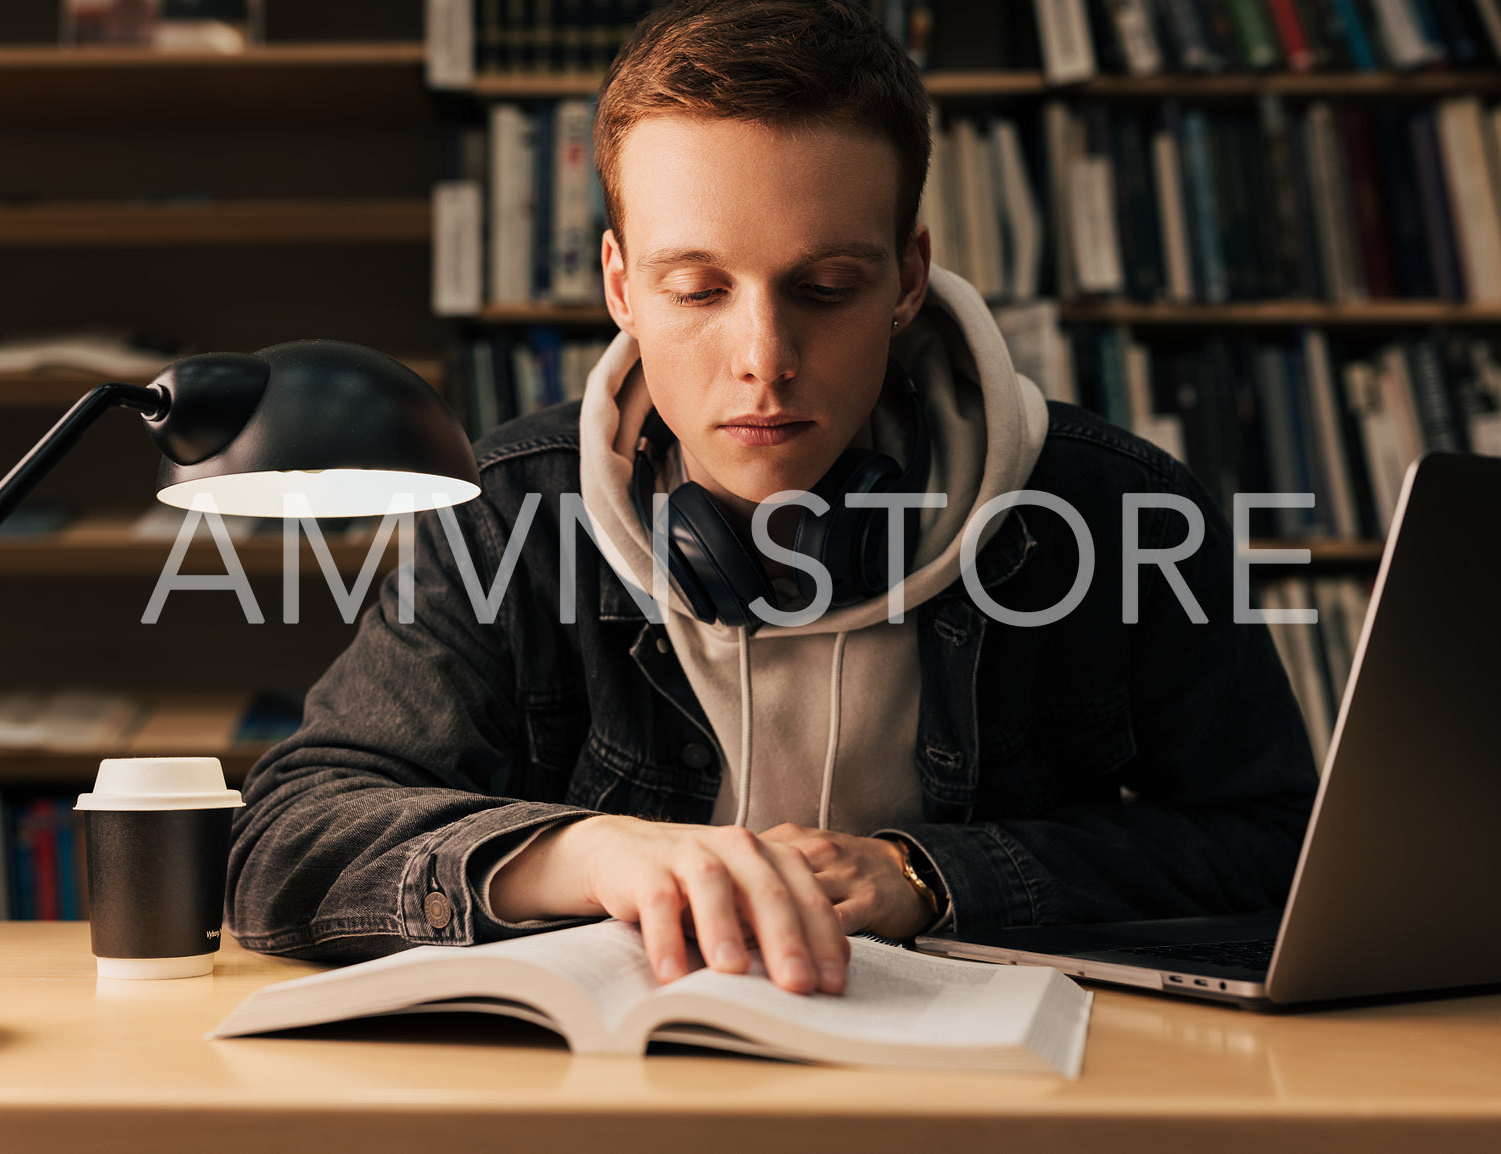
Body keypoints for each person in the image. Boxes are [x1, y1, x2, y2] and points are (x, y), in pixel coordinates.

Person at [226, 0, 1317, 997]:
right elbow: (286, 838)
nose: (763, 358)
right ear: (619, 286)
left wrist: (926, 874)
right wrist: (591, 852)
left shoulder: (1120, 507)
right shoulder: (507, 511)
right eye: (696, 288)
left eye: (825, 287)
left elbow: (1279, 843)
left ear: (905, 277)